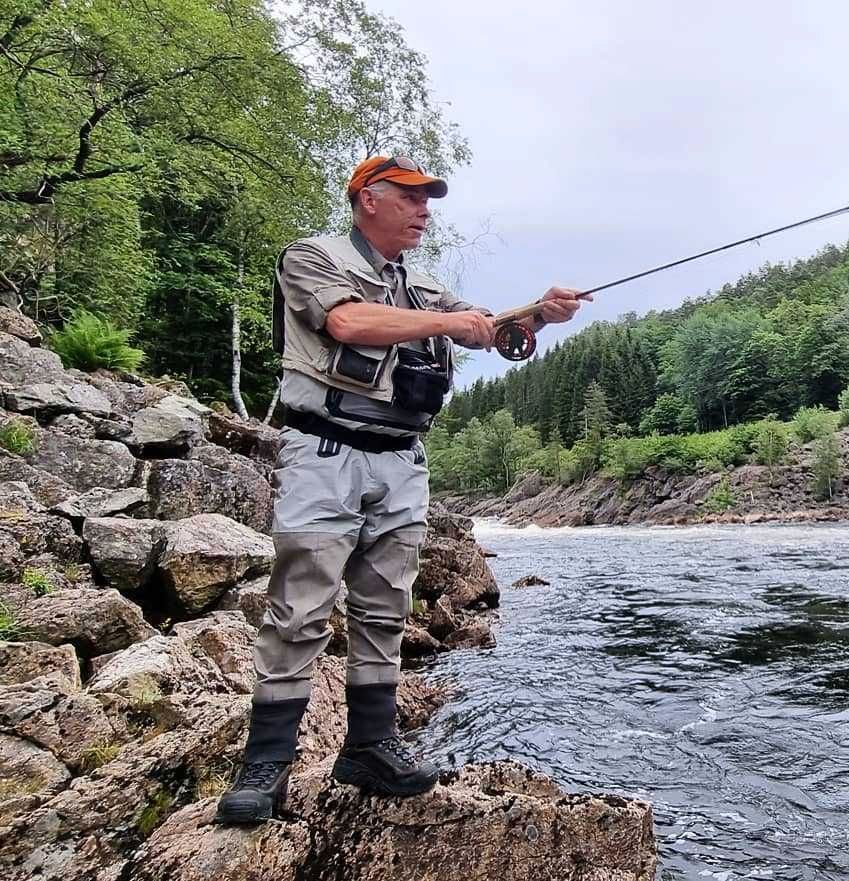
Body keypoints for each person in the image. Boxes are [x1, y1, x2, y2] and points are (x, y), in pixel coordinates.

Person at [215, 155, 586, 824]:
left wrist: (541, 313)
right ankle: (265, 765)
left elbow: (485, 325)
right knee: (299, 610)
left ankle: (369, 747)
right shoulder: (311, 257)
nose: (425, 210)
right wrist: (448, 324)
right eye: (411, 197)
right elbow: (349, 324)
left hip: (400, 462)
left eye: (428, 199)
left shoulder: (423, 283)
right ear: (367, 199)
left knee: (385, 609)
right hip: (324, 451)